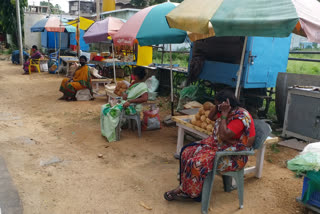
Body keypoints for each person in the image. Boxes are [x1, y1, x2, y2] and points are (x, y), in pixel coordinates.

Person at [164, 89, 256, 201]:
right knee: (186, 151)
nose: (217, 107)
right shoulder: (227, 110)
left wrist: (224, 115)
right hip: (222, 147)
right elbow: (211, 117)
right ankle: (192, 188)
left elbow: (223, 135)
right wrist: (218, 108)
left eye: (218, 104)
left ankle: (188, 191)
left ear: (227, 104)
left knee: (196, 163)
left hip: (234, 156)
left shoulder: (240, 117)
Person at [100, 66, 148, 142]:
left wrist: (130, 101)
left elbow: (145, 98)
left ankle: (112, 135)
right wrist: (124, 94)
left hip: (131, 107)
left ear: (136, 76)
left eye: (133, 74)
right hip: (124, 102)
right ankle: (107, 132)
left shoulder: (143, 86)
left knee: (111, 111)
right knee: (104, 107)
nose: (132, 75)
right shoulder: (134, 83)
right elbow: (128, 93)